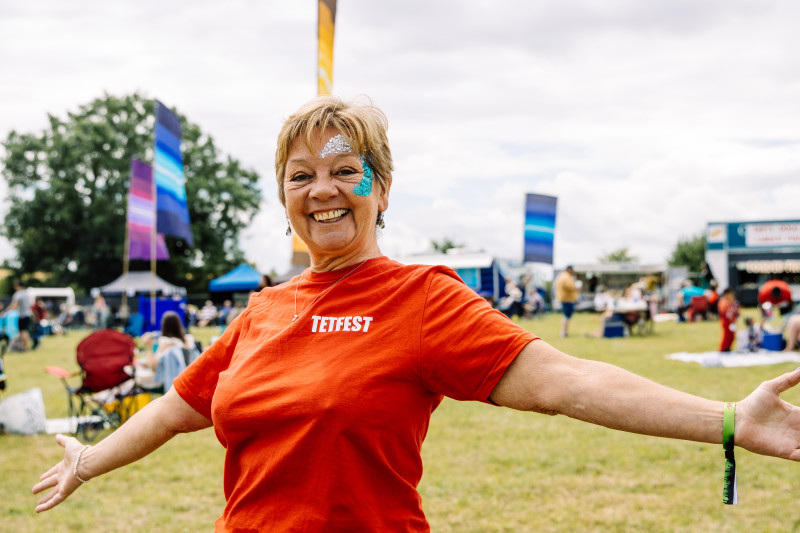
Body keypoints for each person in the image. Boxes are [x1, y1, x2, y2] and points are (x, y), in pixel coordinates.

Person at [32, 95, 800, 531]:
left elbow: (567, 382)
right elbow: (171, 410)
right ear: (285, 198)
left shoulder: (422, 300)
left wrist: (729, 418)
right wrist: (88, 459)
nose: (323, 188)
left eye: (345, 170)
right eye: (302, 175)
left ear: (382, 188)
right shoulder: (261, 312)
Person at [1, 279, 33, 351]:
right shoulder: (27, 293)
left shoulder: (18, 294)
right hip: (28, 314)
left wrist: (5, 311)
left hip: (22, 315)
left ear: (18, 286)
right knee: (26, 331)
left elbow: (14, 305)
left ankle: (24, 347)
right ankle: (27, 346)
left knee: (22, 331)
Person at [554, 265, 579, 337]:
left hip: (565, 298)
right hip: (567, 299)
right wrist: (576, 287)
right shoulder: (566, 277)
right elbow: (570, 286)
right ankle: (563, 332)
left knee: (566, 316)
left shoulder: (561, 276)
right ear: (569, 270)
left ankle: (564, 331)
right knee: (566, 316)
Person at [717, 288, 739, 352]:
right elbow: (725, 311)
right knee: (727, 336)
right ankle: (723, 348)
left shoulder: (731, 302)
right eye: (731, 294)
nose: (732, 295)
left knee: (731, 336)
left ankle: (728, 347)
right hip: (726, 322)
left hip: (732, 321)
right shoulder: (723, 302)